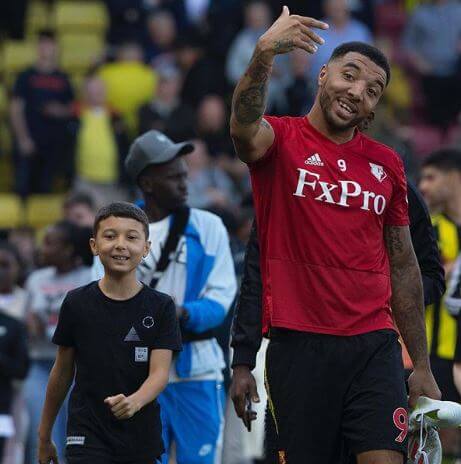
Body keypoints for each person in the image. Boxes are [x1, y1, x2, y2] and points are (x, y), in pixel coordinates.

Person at [229, 6, 440, 463]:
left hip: (374, 345)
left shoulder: (387, 163)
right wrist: (264, 52)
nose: (357, 92)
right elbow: (243, 129)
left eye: (373, 90)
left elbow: (404, 264)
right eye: (349, 76)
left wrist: (420, 365)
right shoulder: (280, 140)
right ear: (323, 75)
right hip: (298, 345)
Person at [92, 130, 237, 464]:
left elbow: (221, 298)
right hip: (135, 376)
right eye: (173, 178)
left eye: (184, 175)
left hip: (196, 370)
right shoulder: (114, 232)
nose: (184, 184)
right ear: (147, 183)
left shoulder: (208, 226)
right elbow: (96, 296)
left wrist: (182, 313)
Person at [37, 202, 182, 464]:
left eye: (132, 237)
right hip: (86, 435)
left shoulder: (161, 306)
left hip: (141, 437)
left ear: (146, 248)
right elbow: (62, 371)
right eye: (110, 235)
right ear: (94, 245)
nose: (120, 244)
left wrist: (135, 402)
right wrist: (44, 436)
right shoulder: (75, 302)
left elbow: (160, 373)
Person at [24, 221, 93, 464]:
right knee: (40, 432)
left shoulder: (89, 276)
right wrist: (30, 324)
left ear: (69, 249)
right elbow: (28, 319)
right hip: (40, 364)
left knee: (72, 434)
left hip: (74, 367)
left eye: (50, 243)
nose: (43, 248)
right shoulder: (36, 278)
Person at [419, 149, 461, 459]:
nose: (422, 186)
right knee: (442, 442)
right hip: (438, 355)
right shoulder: (430, 230)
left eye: (431, 177)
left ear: (454, 177)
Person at [10, 29, 75, 197]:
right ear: (37, 47)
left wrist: (58, 110)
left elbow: (71, 108)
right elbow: (16, 109)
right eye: (43, 43)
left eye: (50, 44)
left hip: (53, 146)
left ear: (56, 48)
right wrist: (23, 139)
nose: (46, 48)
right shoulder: (26, 76)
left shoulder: (63, 78)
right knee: (23, 191)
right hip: (29, 144)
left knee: (46, 193)